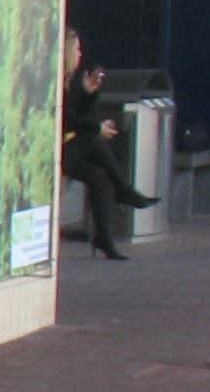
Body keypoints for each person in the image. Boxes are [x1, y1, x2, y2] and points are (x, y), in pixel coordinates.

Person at [62, 43, 155, 261]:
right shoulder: (56, 81)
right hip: (58, 149)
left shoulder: (74, 82)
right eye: (76, 49)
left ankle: (104, 237)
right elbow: (67, 119)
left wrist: (88, 93)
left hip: (70, 147)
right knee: (94, 138)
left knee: (99, 177)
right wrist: (96, 128)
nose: (80, 54)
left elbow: (83, 115)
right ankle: (124, 188)